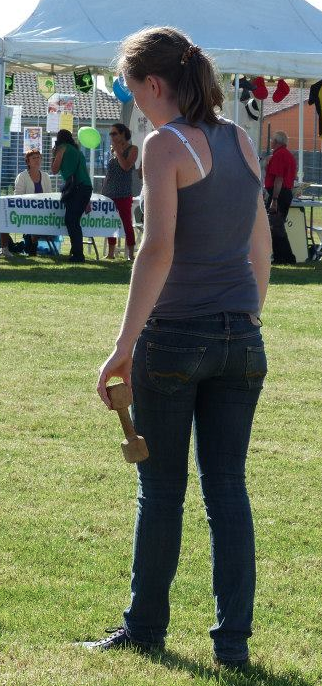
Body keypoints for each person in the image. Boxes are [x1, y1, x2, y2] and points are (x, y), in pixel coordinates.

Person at [90, 28, 272, 669]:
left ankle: (143, 629)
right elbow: (261, 244)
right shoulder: (241, 140)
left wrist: (123, 345)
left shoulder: (163, 146)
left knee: (161, 491)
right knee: (228, 489)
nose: (133, 103)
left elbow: (156, 248)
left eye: (132, 88)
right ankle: (233, 645)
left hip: (174, 339)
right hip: (240, 339)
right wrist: (248, 313)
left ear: (155, 85)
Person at [51, 129, 93, 263]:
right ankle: (76, 251)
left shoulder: (62, 148)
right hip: (86, 188)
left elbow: (54, 169)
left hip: (76, 188)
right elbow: (84, 173)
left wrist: (54, 154)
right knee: (74, 221)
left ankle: (78, 254)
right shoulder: (78, 151)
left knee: (71, 221)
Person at [102, 123, 139, 260]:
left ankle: (130, 254)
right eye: (110, 134)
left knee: (126, 222)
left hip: (123, 193)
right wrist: (103, 191)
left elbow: (126, 166)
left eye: (114, 133)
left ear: (123, 133)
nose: (111, 136)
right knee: (110, 222)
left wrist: (117, 151)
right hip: (109, 193)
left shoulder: (132, 149)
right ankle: (111, 253)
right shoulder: (113, 150)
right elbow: (109, 173)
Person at [264, 130, 297, 264]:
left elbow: (278, 178)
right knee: (276, 225)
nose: (271, 142)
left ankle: (285, 257)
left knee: (275, 226)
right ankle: (283, 257)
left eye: (272, 140)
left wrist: (274, 199)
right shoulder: (288, 155)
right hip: (284, 192)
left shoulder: (279, 155)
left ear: (277, 142)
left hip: (279, 193)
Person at [14, 149, 52, 256]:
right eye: (34, 158)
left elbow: (49, 196)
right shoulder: (22, 176)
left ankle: (32, 246)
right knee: (32, 224)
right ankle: (30, 246)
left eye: (39, 157)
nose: (37, 160)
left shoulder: (46, 176)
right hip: (26, 212)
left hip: (43, 212)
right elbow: (18, 196)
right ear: (28, 161)